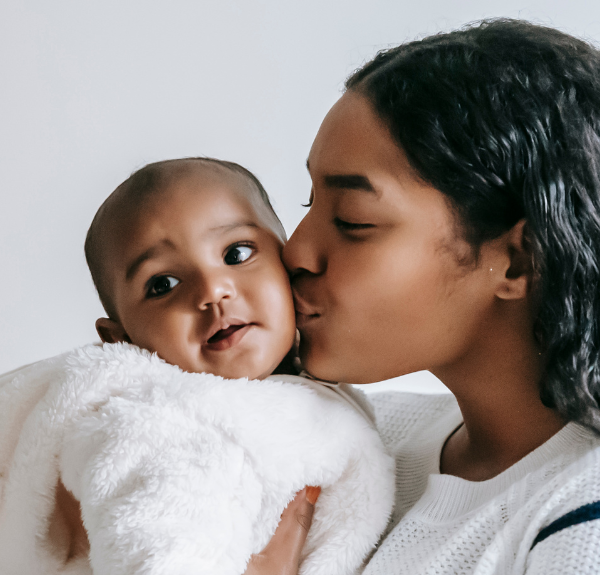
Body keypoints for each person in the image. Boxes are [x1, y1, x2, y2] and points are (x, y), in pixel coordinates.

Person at [248, 18, 600, 575]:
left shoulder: (581, 520)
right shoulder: (346, 439)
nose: (295, 253)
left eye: (351, 220)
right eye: (307, 202)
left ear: (518, 259)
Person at [0, 157, 394, 575]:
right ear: (121, 338)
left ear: (287, 259)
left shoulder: (318, 386)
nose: (212, 290)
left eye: (236, 253)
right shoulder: (159, 427)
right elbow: (156, 553)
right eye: (162, 284)